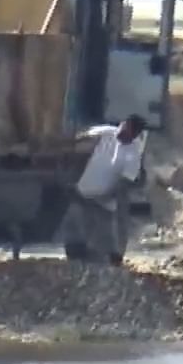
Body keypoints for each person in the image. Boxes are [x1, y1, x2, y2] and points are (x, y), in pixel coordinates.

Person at [61, 114, 148, 266]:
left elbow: (124, 182)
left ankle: (109, 266)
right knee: (73, 228)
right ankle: (75, 263)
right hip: (83, 192)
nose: (121, 134)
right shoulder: (107, 132)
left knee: (103, 238)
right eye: (122, 128)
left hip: (103, 202)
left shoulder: (133, 154)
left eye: (127, 133)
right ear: (121, 124)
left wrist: (105, 196)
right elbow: (83, 137)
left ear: (134, 135)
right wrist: (67, 143)